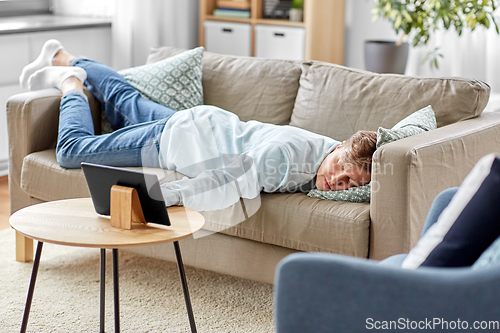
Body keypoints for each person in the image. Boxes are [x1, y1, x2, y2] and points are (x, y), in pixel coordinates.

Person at [20, 40, 377, 212]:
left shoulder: (337, 150)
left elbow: (375, 154)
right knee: (71, 152)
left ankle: (61, 55)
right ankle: (71, 84)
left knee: (124, 100)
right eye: (339, 171)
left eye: (349, 186)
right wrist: (161, 196)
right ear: (336, 148)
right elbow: (221, 181)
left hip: (202, 124)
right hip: (176, 141)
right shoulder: (282, 158)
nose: (338, 184)